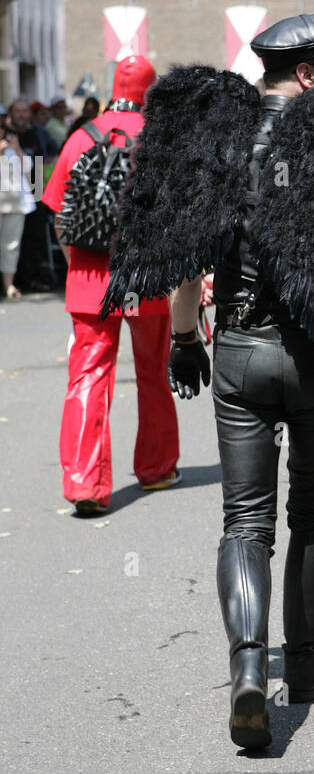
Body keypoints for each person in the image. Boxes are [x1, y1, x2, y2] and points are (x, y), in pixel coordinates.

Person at [101, 6, 314, 751]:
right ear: (306, 73)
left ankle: (248, 671)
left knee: (244, 521)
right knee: (313, 514)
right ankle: (301, 668)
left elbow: (187, 254)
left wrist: (184, 339)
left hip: (238, 348)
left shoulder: (222, 140)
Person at [40, 55, 180, 516]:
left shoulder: (82, 136)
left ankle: (85, 482)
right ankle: (157, 468)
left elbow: (59, 214)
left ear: (112, 84)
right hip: (147, 277)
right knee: (153, 375)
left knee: (87, 377)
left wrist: (75, 264)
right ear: (150, 89)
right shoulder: (160, 139)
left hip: (88, 278)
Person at [5, 97, 59, 291]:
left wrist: (43, 170)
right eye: (17, 111)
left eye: (24, 111)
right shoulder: (7, 134)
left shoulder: (38, 133)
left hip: (34, 182)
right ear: (11, 114)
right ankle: (14, 278)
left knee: (35, 234)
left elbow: (52, 151)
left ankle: (33, 277)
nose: (21, 115)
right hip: (11, 189)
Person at [0, 114, 36, 299]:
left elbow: (31, 170)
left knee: (11, 245)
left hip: (15, 204)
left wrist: (17, 148)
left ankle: (8, 284)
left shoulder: (13, 148)